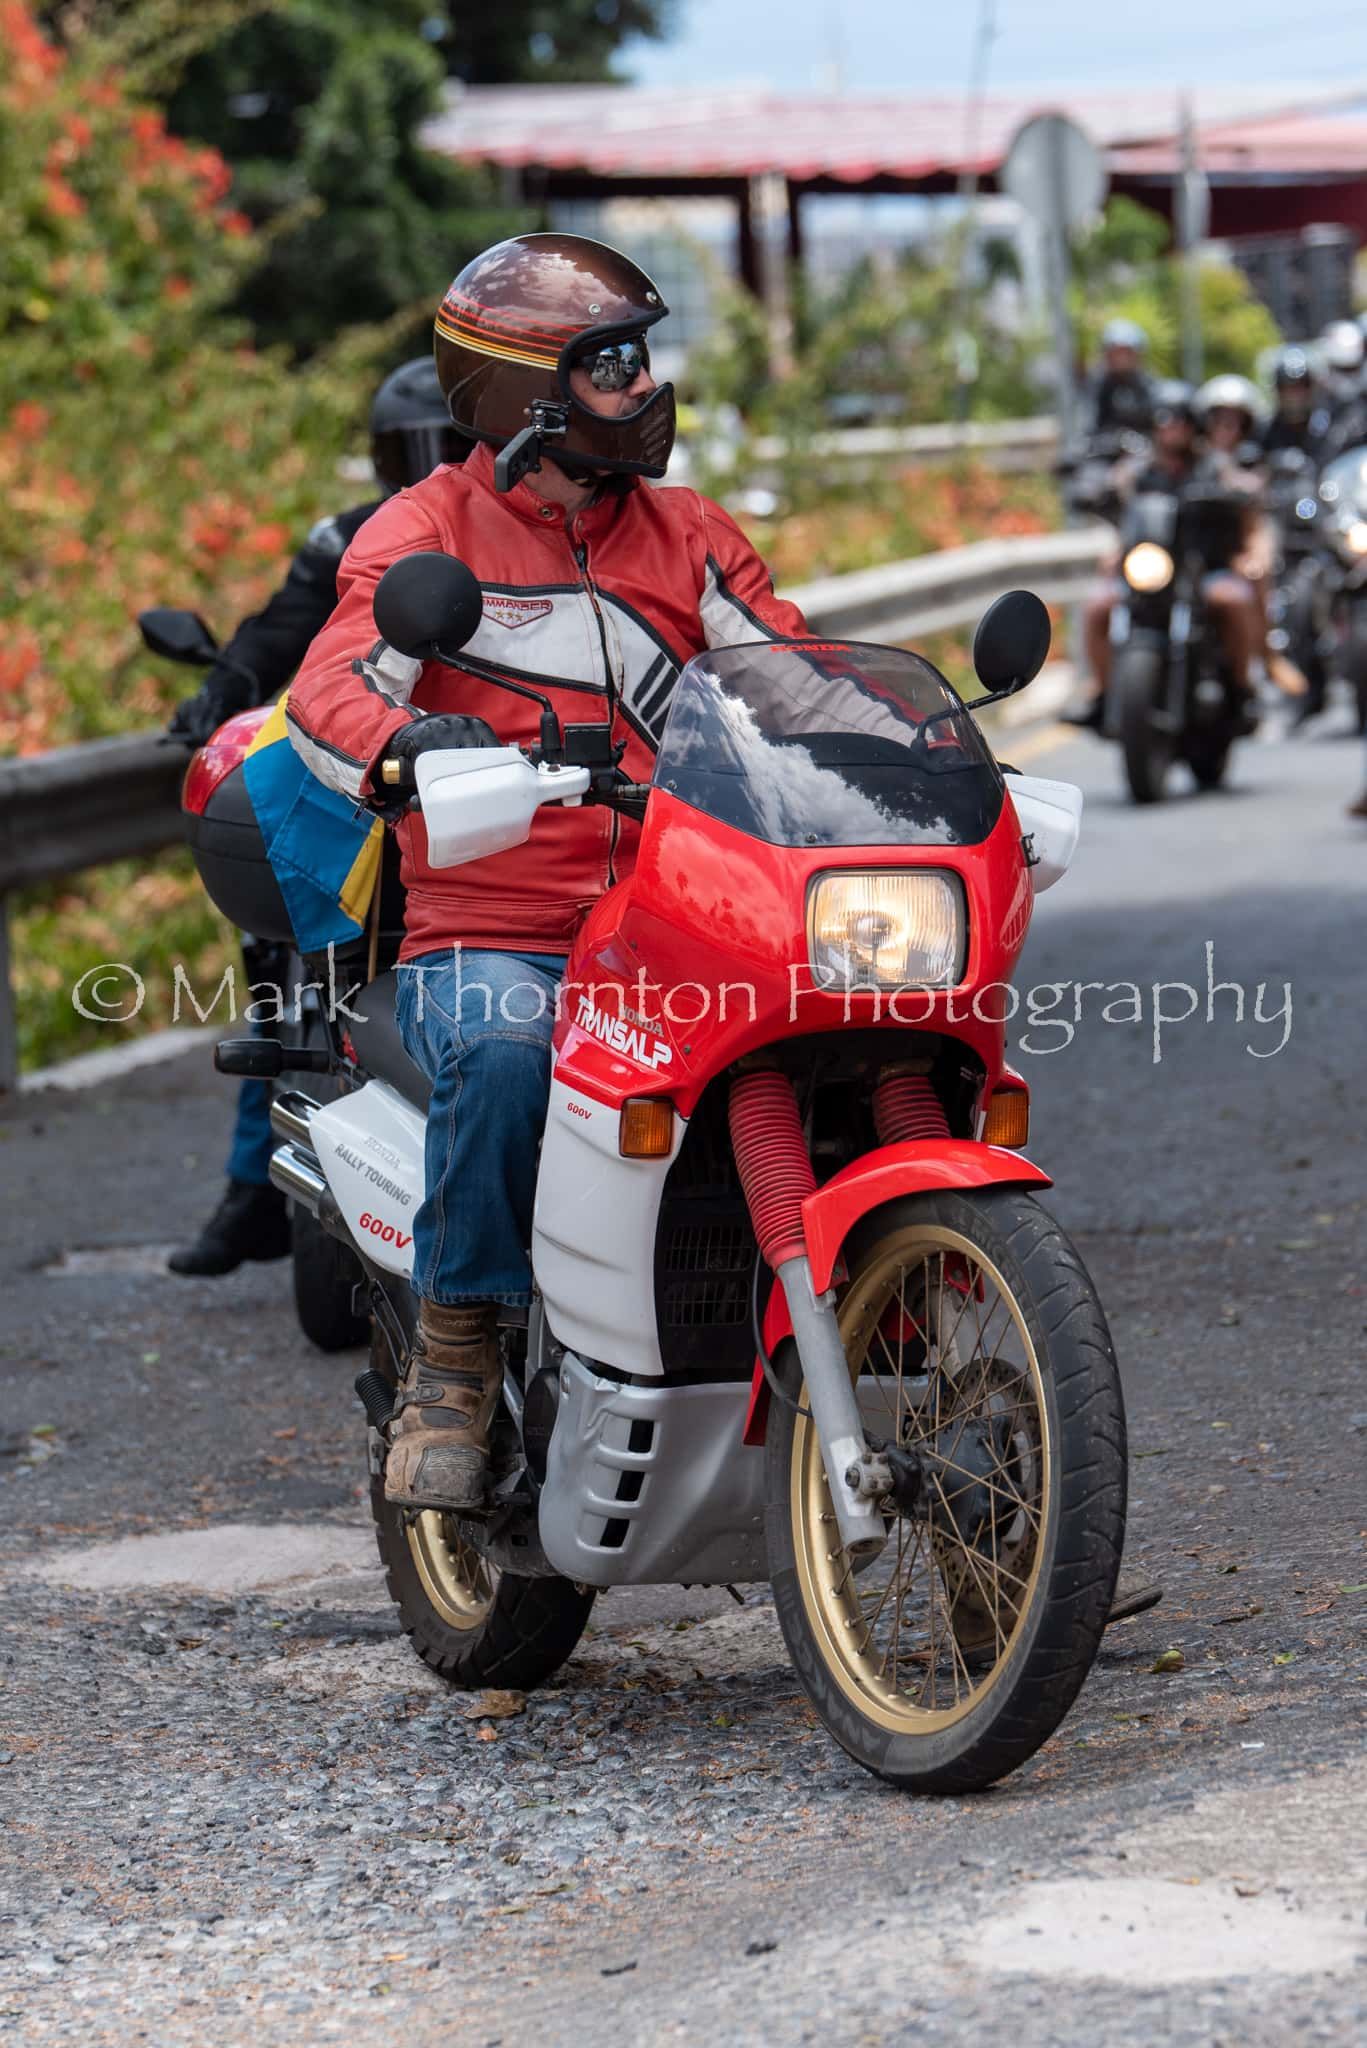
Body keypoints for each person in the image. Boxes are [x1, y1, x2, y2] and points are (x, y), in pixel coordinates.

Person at [284, 233, 810, 1515]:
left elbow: (793, 671)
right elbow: (331, 687)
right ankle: (456, 1362)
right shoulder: (428, 533)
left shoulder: (686, 534)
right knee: (511, 1053)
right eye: (610, 367)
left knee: (844, 1021)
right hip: (494, 925)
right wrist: (405, 741)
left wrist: (924, 747)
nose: (642, 391)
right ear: (523, 392)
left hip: (682, 911)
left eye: (639, 361)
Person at [168, 359, 467, 1277]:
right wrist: (222, 685)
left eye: (442, 445)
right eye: (404, 448)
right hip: (360, 781)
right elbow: (278, 629)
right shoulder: (348, 538)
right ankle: (253, 1188)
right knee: (277, 963)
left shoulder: (520, 544)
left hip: (484, 789)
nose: (425, 464)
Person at [1068, 381, 1265, 729]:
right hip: (1149, 569)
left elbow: (1245, 486)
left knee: (1234, 600)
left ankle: (1242, 688)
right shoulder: (1138, 470)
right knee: (1098, 606)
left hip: (1202, 569)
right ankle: (1101, 691)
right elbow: (1112, 488)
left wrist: (1242, 490)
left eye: (1180, 420)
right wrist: (1089, 490)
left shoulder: (1212, 465)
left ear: (1193, 425)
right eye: (1164, 420)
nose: (1172, 428)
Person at [1082, 318, 1156, 439]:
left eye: (1126, 352)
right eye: (1115, 352)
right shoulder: (1096, 385)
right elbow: (1088, 425)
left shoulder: (1149, 385)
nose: (1121, 359)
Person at [1260, 346, 1332, 462]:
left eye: (1303, 386)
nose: (1295, 395)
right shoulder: (1262, 431)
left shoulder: (1330, 427)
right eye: (1286, 387)